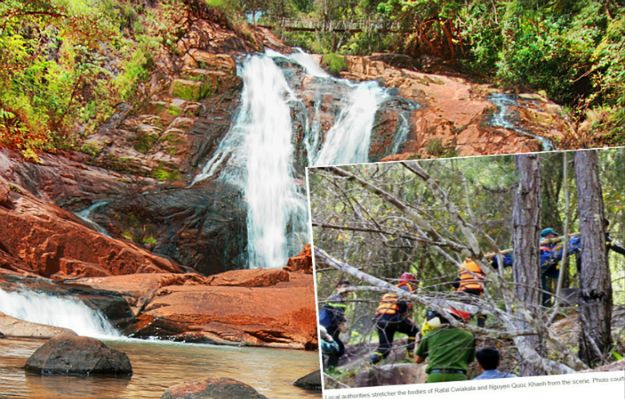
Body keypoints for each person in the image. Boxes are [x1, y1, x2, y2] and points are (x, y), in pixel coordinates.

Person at [369, 272, 419, 364]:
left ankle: (371, 363)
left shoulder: (393, 289)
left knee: (385, 348)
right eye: (415, 283)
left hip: (380, 319)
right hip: (393, 318)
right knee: (414, 329)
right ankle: (411, 354)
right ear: (412, 282)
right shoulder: (406, 287)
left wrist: (405, 318)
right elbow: (402, 303)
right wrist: (404, 317)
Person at [415, 308, 475, 383]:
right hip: (458, 376)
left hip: (435, 376)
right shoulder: (468, 336)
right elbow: (469, 360)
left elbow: (418, 360)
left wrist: (417, 342)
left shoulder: (430, 335)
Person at [318, 279, 351, 367]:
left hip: (330, 328)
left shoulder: (338, 299)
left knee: (335, 349)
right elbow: (338, 315)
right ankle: (329, 370)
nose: (346, 290)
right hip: (328, 328)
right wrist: (342, 326)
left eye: (348, 288)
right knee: (337, 349)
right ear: (337, 288)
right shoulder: (336, 299)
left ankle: (328, 369)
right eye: (344, 287)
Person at [453, 258, 486, 327]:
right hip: (474, 290)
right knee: (480, 312)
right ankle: (480, 330)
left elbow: (456, 281)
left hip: (462, 291)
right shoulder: (479, 263)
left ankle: (461, 327)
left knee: (465, 312)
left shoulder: (464, 264)